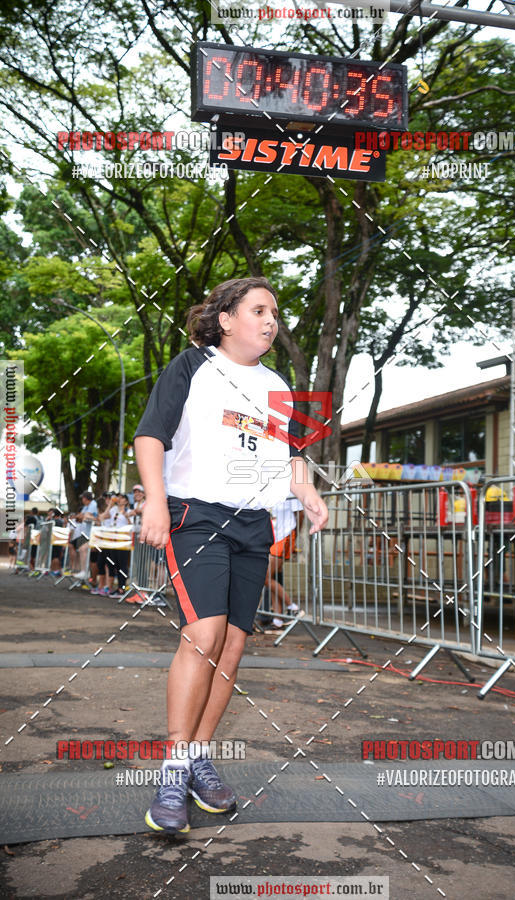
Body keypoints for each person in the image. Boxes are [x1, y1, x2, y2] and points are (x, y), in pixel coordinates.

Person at [134, 276, 328, 835]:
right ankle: (172, 769)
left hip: (254, 524)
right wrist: (154, 501)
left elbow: (290, 453)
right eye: (259, 310)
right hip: (197, 514)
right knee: (204, 633)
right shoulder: (192, 366)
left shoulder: (279, 386)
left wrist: (307, 489)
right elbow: (151, 436)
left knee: (234, 643)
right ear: (226, 319)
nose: (271, 321)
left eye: (274, 313)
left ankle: (198, 756)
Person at [264, 497, 304, 628]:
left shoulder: (290, 488)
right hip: (274, 537)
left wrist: (294, 538)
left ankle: (293, 607)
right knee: (272, 578)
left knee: (266, 577)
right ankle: (278, 619)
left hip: (285, 535)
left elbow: (300, 514)